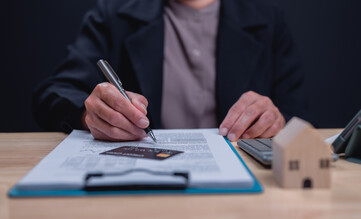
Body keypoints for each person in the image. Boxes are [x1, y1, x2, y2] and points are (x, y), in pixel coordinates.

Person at [33, 0, 306, 142]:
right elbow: (53, 94)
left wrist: (275, 119)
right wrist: (88, 114)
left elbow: (299, 116)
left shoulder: (268, 18)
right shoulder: (113, 13)